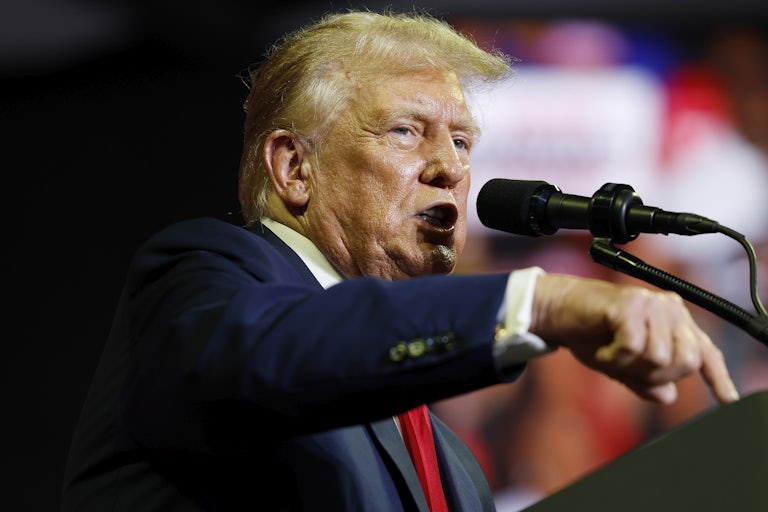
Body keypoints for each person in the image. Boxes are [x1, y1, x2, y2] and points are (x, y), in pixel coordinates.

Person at [61, 9, 740, 511]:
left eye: (465, 144)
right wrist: (543, 301)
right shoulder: (199, 274)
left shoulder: (456, 472)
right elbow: (276, 349)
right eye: (406, 131)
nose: (449, 168)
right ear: (295, 168)